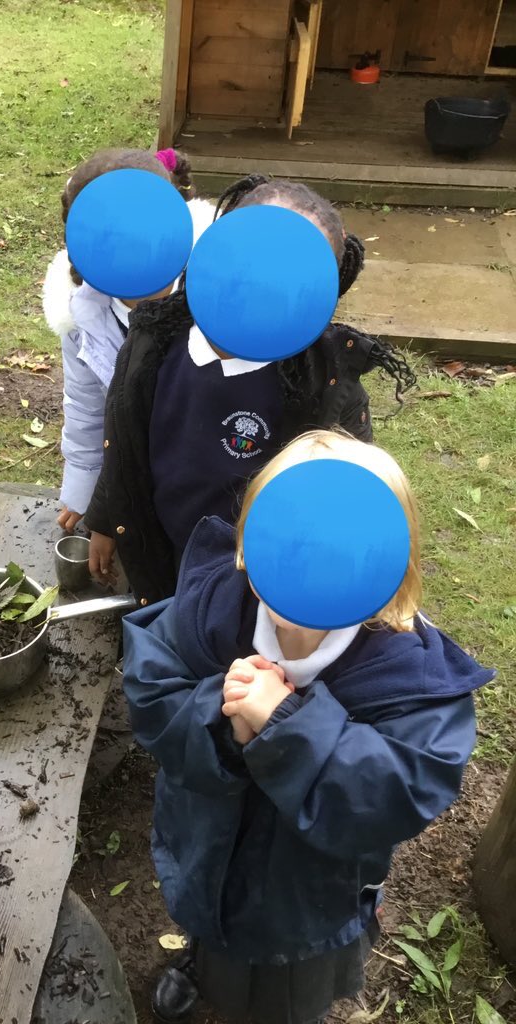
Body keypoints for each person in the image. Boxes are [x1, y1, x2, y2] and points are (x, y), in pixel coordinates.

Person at [122, 429, 494, 1024]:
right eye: (288, 539)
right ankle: (202, 961)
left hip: (303, 894)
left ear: (389, 565)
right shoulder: (211, 608)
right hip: (205, 842)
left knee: (285, 988)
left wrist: (283, 725)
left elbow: (399, 791)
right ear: (248, 544)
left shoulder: (409, 675)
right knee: (208, 921)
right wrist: (223, 722)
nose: (309, 565)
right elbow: (150, 687)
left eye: (341, 551)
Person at [83, 175, 416, 606]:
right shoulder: (154, 337)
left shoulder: (327, 389)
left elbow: (337, 515)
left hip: (249, 583)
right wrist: (106, 520)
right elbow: (123, 439)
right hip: (158, 553)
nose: (259, 281)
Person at [42, 147, 215, 533]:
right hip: (136, 453)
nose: (134, 248)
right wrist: (86, 489)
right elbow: (86, 406)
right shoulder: (81, 316)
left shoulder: (215, 289)